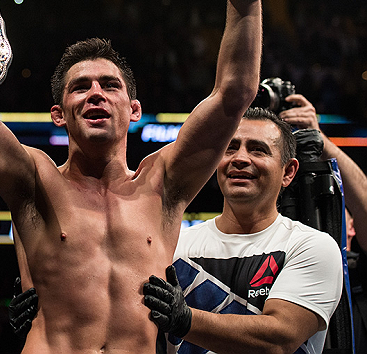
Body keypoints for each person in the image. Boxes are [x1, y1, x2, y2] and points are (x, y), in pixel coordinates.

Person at [0, 0, 268, 353]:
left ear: (133, 111)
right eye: (81, 87)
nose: (96, 93)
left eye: (109, 85)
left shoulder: (165, 182)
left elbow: (236, 92)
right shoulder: (34, 180)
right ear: (59, 114)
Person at [143, 107, 343, 354]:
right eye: (230, 147)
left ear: (288, 172)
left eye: (258, 149)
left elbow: (279, 339)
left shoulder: (310, 246)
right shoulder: (176, 246)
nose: (240, 158)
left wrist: (186, 320)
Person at [279, 93, 367, 353]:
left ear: (352, 227)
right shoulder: (277, 263)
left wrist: (322, 141)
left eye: (338, 209)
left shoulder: (358, 273)